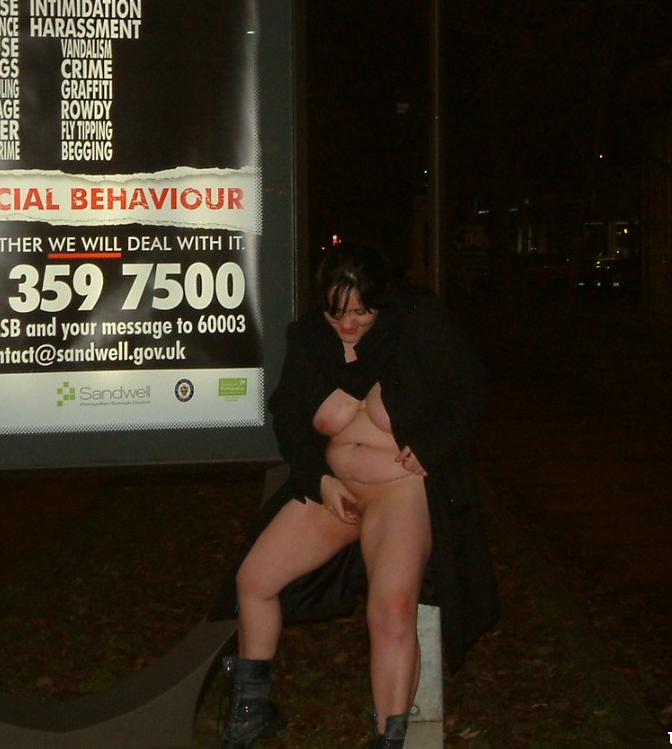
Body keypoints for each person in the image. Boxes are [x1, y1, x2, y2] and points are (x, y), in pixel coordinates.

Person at [213, 242, 498, 749]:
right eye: (336, 311)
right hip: (337, 490)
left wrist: (432, 447)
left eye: (361, 311)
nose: (347, 323)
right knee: (254, 580)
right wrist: (318, 480)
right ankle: (251, 710)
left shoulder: (418, 322)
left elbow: (470, 388)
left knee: (392, 608)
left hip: (400, 490)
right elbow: (289, 417)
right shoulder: (309, 338)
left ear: (381, 299)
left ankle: (389, 737)